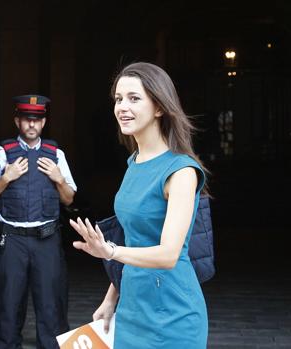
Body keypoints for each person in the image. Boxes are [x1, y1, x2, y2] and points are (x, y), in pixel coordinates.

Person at [69, 62, 209, 348]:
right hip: (132, 307)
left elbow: (168, 254)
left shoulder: (181, 171)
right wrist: (110, 299)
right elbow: (135, 238)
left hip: (172, 313)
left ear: (159, 107)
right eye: (119, 99)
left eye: (134, 98)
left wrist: (109, 251)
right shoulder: (134, 162)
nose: (122, 107)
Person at [0, 94, 77, 349]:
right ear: (17, 121)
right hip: (11, 241)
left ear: (44, 122)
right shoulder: (2, 153)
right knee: (8, 305)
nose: (32, 125)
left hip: (46, 241)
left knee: (51, 307)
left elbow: (69, 199)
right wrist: (6, 178)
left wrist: (59, 178)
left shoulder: (55, 154)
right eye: (27, 119)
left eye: (37, 120)